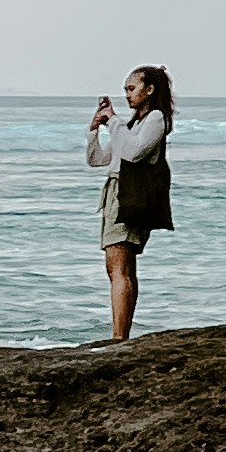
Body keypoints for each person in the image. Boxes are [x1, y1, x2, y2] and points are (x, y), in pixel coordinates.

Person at [85, 66, 176, 343]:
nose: (127, 95)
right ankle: (120, 334)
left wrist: (113, 121)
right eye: (125, 89)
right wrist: (93, 131)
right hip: (116, 192)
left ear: (150, 90)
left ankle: (118, 337)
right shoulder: (134, 124)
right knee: (117, 268)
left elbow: (133, 153)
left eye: (131, 88)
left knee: (119, 267)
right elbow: (99, 159)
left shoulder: (156, 119)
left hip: (129, 196)